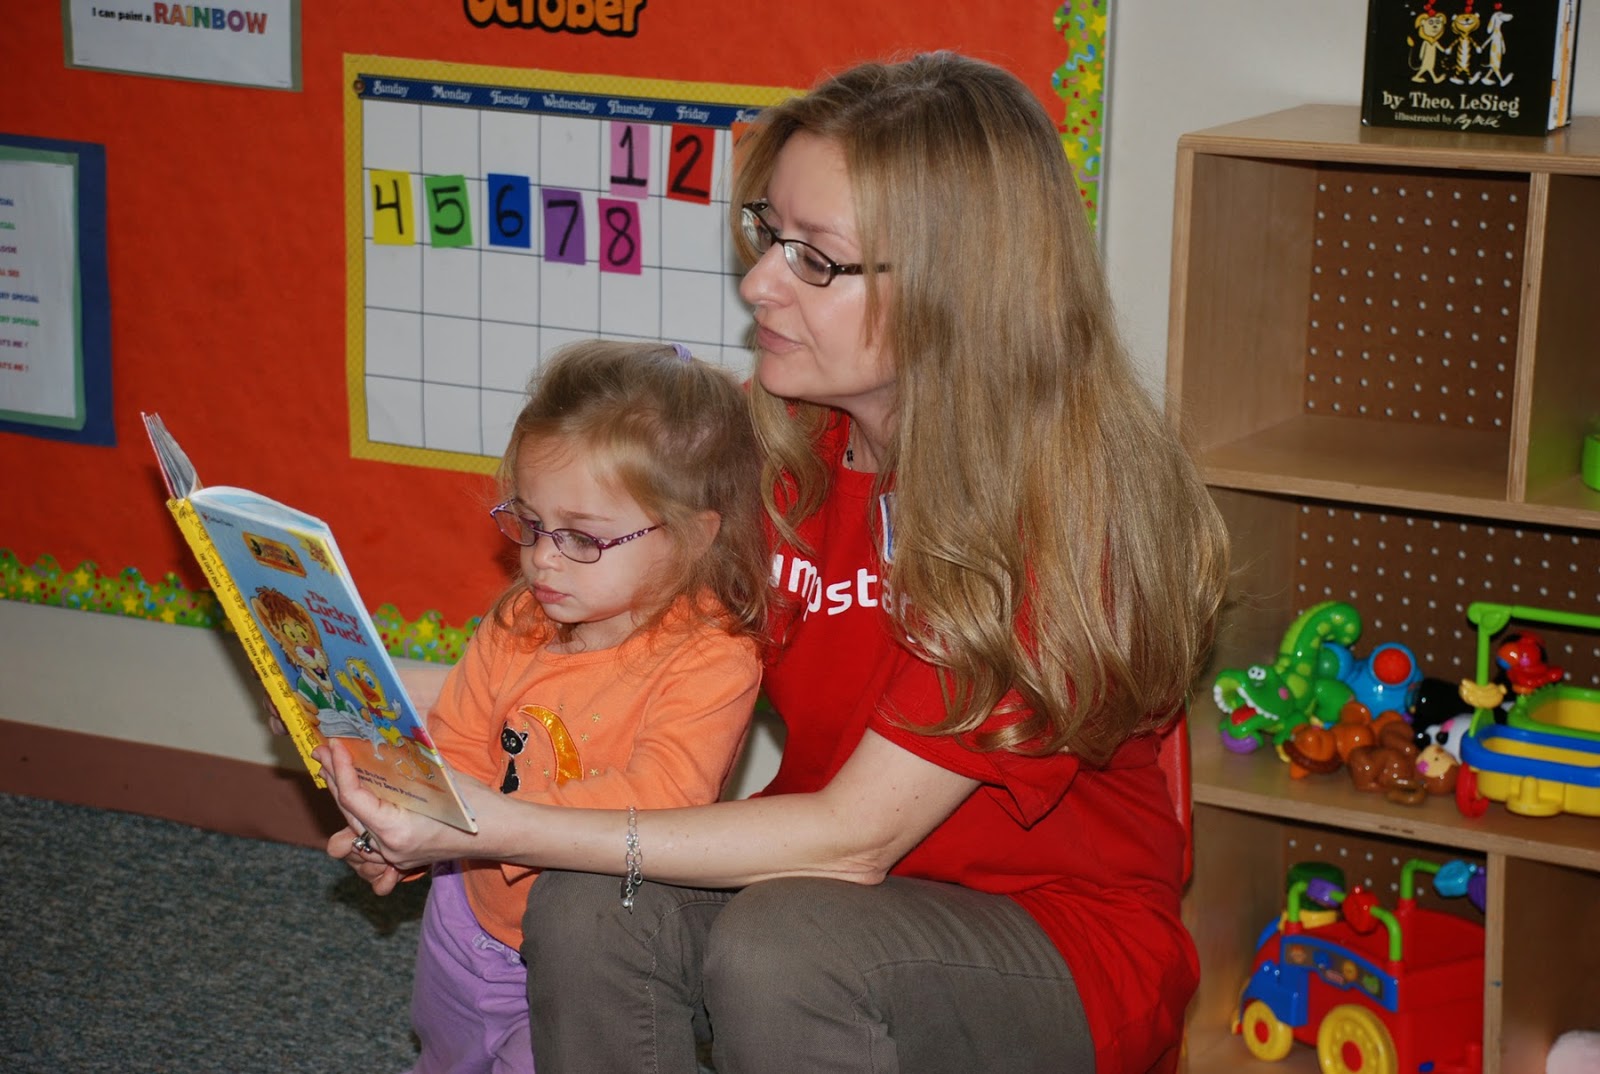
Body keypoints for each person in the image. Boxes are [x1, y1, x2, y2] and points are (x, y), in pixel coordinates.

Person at [318, 51, 1229, 1074]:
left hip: (1048, 945)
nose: (759, 284)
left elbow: (852, 840)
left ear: (954, 288)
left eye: (817, 260)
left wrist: (486, 823)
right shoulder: (789, 448)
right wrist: (377, 722)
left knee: (779, 953)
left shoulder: (1063, 519)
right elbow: (604, 664)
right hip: (819, 882)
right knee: (584, 903)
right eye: (769, 236)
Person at [386, 340, 769, 1074]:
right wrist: (405, 823)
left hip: (574, 953)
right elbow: (459, 741)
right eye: (529, 524)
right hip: (464, 913)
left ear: (696, 534)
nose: (542, 559)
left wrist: (483, 820)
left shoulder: (712, 657)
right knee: (446, 1053)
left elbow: (663, 798)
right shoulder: (519, 619)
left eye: (582, 538)